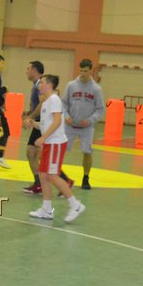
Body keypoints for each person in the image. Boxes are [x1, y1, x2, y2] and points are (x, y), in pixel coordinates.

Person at [25, 75, 86, 223]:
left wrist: (43, 138)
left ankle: (75, 205)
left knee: (52, 175)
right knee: (43, 174)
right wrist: (33, 123)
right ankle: (47, 210)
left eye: (42, 83)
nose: (39, 85)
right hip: (49, 143)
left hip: (55, 143)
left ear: (49, 85)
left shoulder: (54, 100)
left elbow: (58, 121)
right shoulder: (46, 102)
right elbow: (46, 124)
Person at [62, 59, 104, 190]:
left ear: (90, 71)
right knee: (61, 150)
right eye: (81, 71)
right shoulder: (71, 85)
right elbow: (63, 104)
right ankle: (60, 176)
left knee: (87, 152)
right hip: (70, 126)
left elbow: (100, 109)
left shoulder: (96, 89)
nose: (82, 73)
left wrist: (90, 120)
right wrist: (66, 116)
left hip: (87, 127)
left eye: (85, 71)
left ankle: (86, 177)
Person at [21, 60, 44, 193]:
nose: (26, 72)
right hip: (39, 121)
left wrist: (30, 117)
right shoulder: (36, 85)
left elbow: (42, 104)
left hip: (41, 122)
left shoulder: (39, 85)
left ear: (34, 71)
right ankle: (39, 182)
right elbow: (37, 105)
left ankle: (63, 180)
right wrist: (29, 112)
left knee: (33, 153)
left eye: (28, 69)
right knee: (32, 153)